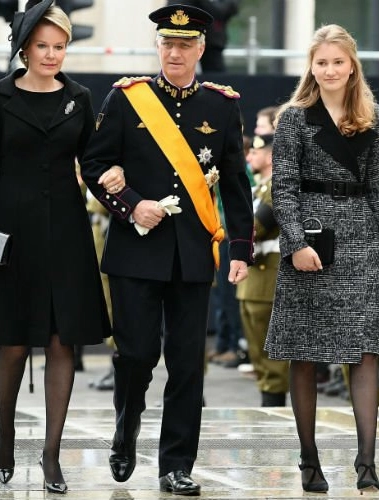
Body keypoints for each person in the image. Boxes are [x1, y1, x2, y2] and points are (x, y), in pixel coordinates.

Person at [80, 4, 253, 495]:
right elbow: (95, 164)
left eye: (185, 45)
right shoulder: (128, 97)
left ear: (201, 48)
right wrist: (132, 205)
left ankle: (176, 463)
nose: (175, 52)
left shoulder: (221, 105)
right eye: (167, 44)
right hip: (136, 251)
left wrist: (240, 246)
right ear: (158, 47)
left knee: (186, 364)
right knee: (136, 355)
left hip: (194, 253)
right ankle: (126, 426)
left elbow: (236, 182)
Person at [0, 0, 110, 492]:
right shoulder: (0, 98)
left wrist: (121, 188)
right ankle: (5, 432)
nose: (51, 55)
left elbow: (94, 162)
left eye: (60, 47)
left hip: (66, 230)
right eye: (42, 46)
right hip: (13, 229)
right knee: (15, 338)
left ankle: (51, 455)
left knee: (62, 339)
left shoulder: (81, 97)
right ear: (24, 48)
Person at [264, 24, 379, 493]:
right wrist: (296, 244)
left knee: (365, 351)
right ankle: (309, 461)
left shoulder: (372, 115)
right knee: (305, 353)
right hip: (314, 240)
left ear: (352, 64)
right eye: (322, 62)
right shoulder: (294, 118)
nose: (330, 69)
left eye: (338, 61)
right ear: (311, 66)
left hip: (361, 236)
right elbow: (282, 188)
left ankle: (366, 462)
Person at [235, 133, 289, 406]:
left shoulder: (277, 187)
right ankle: (269, 400)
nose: (249, 158)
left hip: (268, 278)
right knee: (259, 354)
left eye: (254, 153)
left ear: (269, 157)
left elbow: (257, 227)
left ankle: (274, 406)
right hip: (253, 279)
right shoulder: (258, 187)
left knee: (271, 357)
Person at [167, 0, 240, 72]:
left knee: (214, 76)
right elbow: (174, 10)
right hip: (181, 34)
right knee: (177, 71)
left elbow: (223, 10)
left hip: (211, 41)